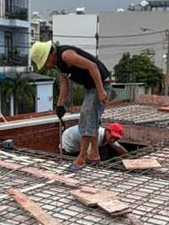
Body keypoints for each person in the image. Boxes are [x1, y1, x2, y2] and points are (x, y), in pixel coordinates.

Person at [30, 41, 112, 171]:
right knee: (93, 120)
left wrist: (101, 90)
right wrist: (60, 105)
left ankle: (81, 159)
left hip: (100, 85)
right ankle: (94, 154)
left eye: (44, 62)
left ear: (49, 55)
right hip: (92, 87)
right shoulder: (60, 64)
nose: (45, 65)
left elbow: (92, 66)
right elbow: (64, 84)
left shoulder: (66, 55)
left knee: (86, 118)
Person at [62, 122, 127, 160]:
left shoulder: (106, 134)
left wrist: (129, 157)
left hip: (79, 135)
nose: (113, 140)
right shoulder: (96, 137)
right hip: (69, 140)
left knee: (102, 151)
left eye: (116, 138)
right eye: (113, 137)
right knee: (85, 158)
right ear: (107, 131)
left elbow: (119, 148)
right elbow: (89, 155)